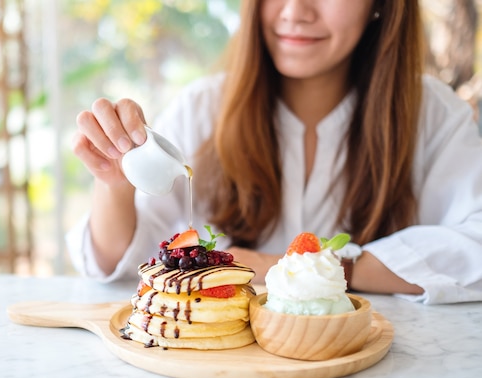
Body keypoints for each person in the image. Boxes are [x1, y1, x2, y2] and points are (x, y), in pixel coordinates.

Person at [67, 0, 482, 304]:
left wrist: (298, 268)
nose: (295, 10)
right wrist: (114, 183)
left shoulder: (432, 115)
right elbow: (116, 266)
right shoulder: (203, 108)